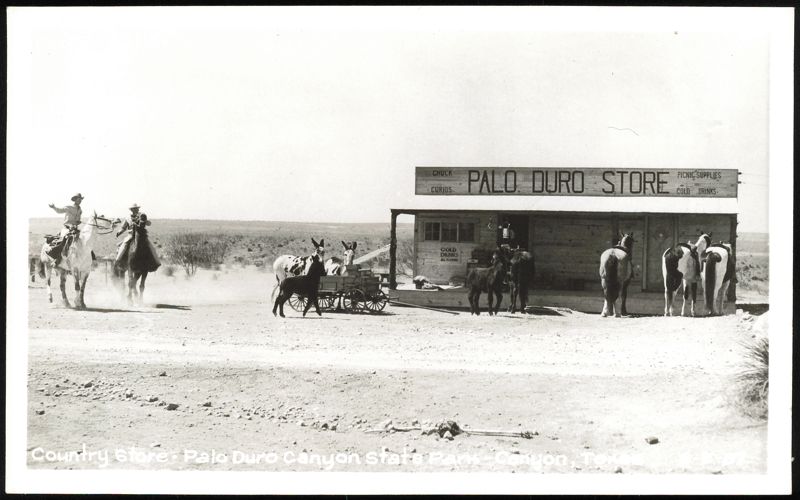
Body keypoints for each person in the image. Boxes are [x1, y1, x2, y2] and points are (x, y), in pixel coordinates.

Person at [115, 204, 160, 269]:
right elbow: (123, 227)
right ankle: (117, 261)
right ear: (131, 210)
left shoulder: (142, 215)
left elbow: (149, 223)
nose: (136, 210)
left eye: (136, 208)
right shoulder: (127, 218)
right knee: (124, 245)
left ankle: (156, 262)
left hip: (140, 234)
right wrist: (119, 232)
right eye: (134, 209)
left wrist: (144, 220)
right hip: (130, 235)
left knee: (151, 246)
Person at [46, 193, 84, 265]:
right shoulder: (69, 207)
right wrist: (54, 207)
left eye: (80, 200)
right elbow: (59, 211)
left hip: (75, 229)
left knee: (83, 240)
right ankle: (57, 259)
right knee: (65, 240)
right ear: (75, 200)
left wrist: (78, 222)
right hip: (67, 228)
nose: (80, 201)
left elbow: (78, 220)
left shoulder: (80, 210)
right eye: (78, 199)